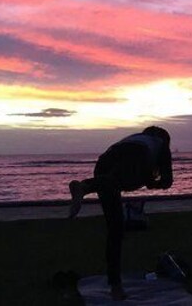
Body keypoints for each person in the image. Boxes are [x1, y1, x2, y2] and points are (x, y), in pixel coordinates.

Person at [68, 126, 173, 301]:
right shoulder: (159, 143)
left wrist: (146, 179)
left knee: (116, 228)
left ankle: (115, 286)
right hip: (134, 159)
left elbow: (125, 166)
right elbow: (168, 181)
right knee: (116, 228)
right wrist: (153, 183)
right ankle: (85, 186)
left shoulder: (133, 138)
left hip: (103, 163)